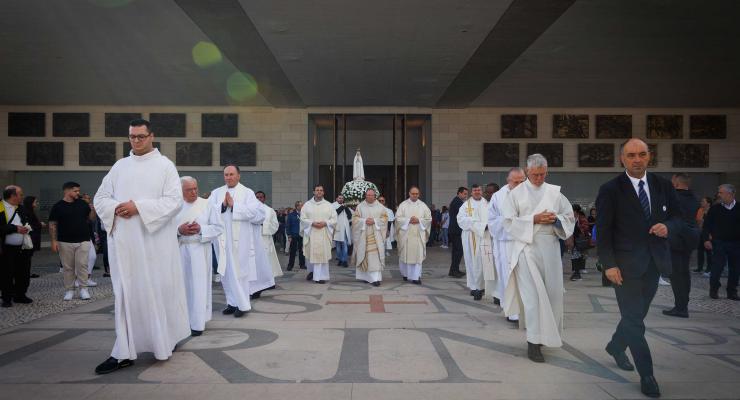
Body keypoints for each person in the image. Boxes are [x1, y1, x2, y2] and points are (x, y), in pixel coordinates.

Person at [93, 119, 190, 374]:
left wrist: (139, 207)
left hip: (154, 244)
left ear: (152, 136)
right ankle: (123, 351)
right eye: (132, 137)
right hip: (124, 246)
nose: (136, 141)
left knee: (157, 292)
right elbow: (100, 198)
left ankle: (163, 342)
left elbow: (173, 202)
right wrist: (116, 207)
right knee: (126, 296)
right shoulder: (119, 166)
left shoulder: (165, 166)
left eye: (141, 136)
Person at [596, 138, 681, 398]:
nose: (637, 159)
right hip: (624, 267)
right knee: (635, 321)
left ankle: (615, 345)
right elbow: (605, 230)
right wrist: (608, 265)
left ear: (649, 156)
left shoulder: (663, 186)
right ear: (622, 158)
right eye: (631, 155)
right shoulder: (611, 189)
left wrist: (669, 227)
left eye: (642, 154)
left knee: (637, 316)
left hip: (654, 264)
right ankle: (647, 375)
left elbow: (678, 218)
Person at [502, 154, 575, 363]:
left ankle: (545, 337)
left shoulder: (555, 193)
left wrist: (556, 220)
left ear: (547, 171)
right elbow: (508, 222)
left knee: (552, 295)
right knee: (533, 297)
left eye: (542, 174)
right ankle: (533, 343)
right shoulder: (516, 194)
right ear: (527, 171)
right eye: (535, 175)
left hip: (550, 248)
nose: (539, 178)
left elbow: (569, 217)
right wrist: (533, 219)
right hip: (527, 249)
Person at [210, 164, 270, 314]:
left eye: (231, 174)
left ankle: (242, 305)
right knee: (225, 273)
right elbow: (208, 211)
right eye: (226, 175)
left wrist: (234, 205)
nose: (228, 177)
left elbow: (259, 213)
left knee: (240, 273)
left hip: (241, 242)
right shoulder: (217, 193)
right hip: (223, 241)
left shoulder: (247, 193)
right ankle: (231, 303)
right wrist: (223, 205)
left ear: (238, 175)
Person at [177, 177, 223, 336]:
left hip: (200, 250)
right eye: (189, 190)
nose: (194, 192)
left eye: (195, 188)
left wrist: (202, 229)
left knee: (198, 286)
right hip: (180, 250)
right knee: (181, 287)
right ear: (181, 191)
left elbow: (218, 227)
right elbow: (163, 230)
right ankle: (181, 321)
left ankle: (197, 323)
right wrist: (178, 231)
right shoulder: (174, 206)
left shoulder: (207, 204)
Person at [488, 167, 525, 321]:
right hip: (506, 243)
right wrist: (508, 221)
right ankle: (512, 311)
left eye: (522, 181)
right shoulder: (498, 196)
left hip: (524, 241)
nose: (519, 184)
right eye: (515, 182)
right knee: (508, 276)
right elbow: (492, 220)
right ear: (508, 181)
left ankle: (524, 310)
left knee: (524, 277)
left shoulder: (530, 193)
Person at [49, 181, 96, 301]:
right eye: (75, 191)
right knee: (68, 267)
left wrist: (92, 209)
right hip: (65, 241)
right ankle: (69, 290)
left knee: (82, 265)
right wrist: (54, 241)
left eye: (78, 191)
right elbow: (52, 224)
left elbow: (91, 219)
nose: (78, 193)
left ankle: (83, 289)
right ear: (67, 191)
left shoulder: (82, 204)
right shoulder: (58, 206)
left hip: (83, 239)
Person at [664, 173, 700, 318]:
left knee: (677, 275)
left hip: (676, 239)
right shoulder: (694, 198)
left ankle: (681, 308)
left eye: (672, 182)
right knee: (684, 273)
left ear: (677, 184)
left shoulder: (673, 198)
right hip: (690, 239)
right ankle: (682, 305)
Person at [703, 184, 740, 301]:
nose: (718, 195)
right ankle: (714, 289)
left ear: (730, 194)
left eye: (721, 193)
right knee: (717, 267)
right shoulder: (715, 209)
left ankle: (732, 291)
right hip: (719, 242)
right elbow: (706, 225)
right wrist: (706, 239)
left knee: (735, 269)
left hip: (736, 243)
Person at [458, 184, 493, 301]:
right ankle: (474, 287)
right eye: (474, 190)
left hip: (486, 236)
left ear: (481, 191)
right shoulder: (465, 205)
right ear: (471, 192)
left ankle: (485, 287)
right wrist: (478, 225)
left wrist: (483, 226)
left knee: (486, 262)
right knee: (472, 261)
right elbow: (461, 220)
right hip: (470, 237)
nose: (477, 192)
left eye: (478, 190)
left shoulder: (487, 203)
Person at [1, 185, 32, 307]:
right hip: (6, 249)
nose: (22, 197)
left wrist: (27, 228)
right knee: (6, 274)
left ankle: (20, 295)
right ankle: (6, 298)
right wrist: (14, 228)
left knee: (23, 273)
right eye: (20, 194)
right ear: (13, 196)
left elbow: (28, 222)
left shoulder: (21, 208)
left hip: (22, 247)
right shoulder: (0, 207)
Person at [395, 186, 432, 284]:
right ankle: (405, 274)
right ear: (409, 194)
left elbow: (429, 219)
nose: (415, 195)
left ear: (419, 194)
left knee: (417, 257)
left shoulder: (423, 206)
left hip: (418, 235)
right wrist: (408, 220)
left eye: (416, 194)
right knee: (405, 255)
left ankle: (416, 277)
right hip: (406, 235)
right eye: (413, 193)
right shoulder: (403, 205)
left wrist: (419, 220)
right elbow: (398, 218)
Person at [351, 188, 388, 286]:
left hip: (376, 237)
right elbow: (354, 219)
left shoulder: (380, 207)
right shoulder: (360, 206)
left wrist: (374, 221)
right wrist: (364, 221)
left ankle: (375, 278)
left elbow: (385, 219)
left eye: (371, 195)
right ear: (365, 195)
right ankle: (366, 277)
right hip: (363, 236)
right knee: (364, 256)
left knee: (375, 257)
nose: (369, 197)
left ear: (375, 196)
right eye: (368, 195)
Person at [300, 185, 336, 283]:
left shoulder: (329, 205)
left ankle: (321, 277)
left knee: (322, 255)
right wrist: (312, 223)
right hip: (311, 232)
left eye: (321, 190)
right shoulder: (307, 205)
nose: (319, 192)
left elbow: (334, 219)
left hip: (324, 232)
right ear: (313, 192)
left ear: (323, 192)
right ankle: (312, 272)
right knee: (311, 254)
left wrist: (325, 223)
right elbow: (302, 219)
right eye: (317, 190)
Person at [255, 191, 283, 280]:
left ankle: (268, 279)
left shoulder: (270, 211)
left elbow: (275, 225)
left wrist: (264, 226)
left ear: (264, 198)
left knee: (266, 259)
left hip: (265, 238)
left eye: (261, 197)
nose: (259, 199)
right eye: (257, 197)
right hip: (252, 239)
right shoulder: (250, 210)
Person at [447, 187, 468, 278]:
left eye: (466, 194)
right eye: (464, 194)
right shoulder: (457, 202)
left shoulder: (457, 201)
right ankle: (454, 271)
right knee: (458, 251)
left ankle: (454, 270)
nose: (466, 195)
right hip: (456, 230)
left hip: (455, 230)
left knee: (456, 251)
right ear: (459, 193)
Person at [23, 196, 44, 279]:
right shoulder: (27, 212)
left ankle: (27, 272)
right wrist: (40, 224)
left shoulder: (29, 211)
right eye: (35, 202)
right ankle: (25, 273)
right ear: (30, 203)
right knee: (27, 256)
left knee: (29, 256)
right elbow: (29, 225)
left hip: (32, 237)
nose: (37, 203)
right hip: (30, 237)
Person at [332, 195, 352, 267]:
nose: (341, 199)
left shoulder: (345, 206)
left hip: (345, 228)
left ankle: (344, 260)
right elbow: (336, 213)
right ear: (337, 198)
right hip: (337, 228)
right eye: (339, 198)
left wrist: (346, 207)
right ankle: (340, 259)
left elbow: (350, 216)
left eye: (342, 198)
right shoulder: (333, 205)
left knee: (344, 244)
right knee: (338, 246)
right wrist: (343, 206)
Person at [694, 196, 713, 274]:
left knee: (709, 251)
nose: (701, 202)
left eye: (703, 201)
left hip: (709, 234)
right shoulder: (700, 210)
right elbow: (698, 221)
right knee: (700, 251)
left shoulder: (712, 210)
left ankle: (709, 268)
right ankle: (700, 267)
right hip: (700, 232)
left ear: (708, 203)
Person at [286, 201, 306, 270]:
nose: (302, 207)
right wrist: (289, 235)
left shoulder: (304, 214)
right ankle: (290, 265)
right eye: (301, 205)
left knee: (302, 251)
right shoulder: (291, 215)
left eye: (302, 205)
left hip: (302, 235)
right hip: (294, 235)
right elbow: (288, 225)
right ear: (297, 206)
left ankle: (302, 264)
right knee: (293, 251)